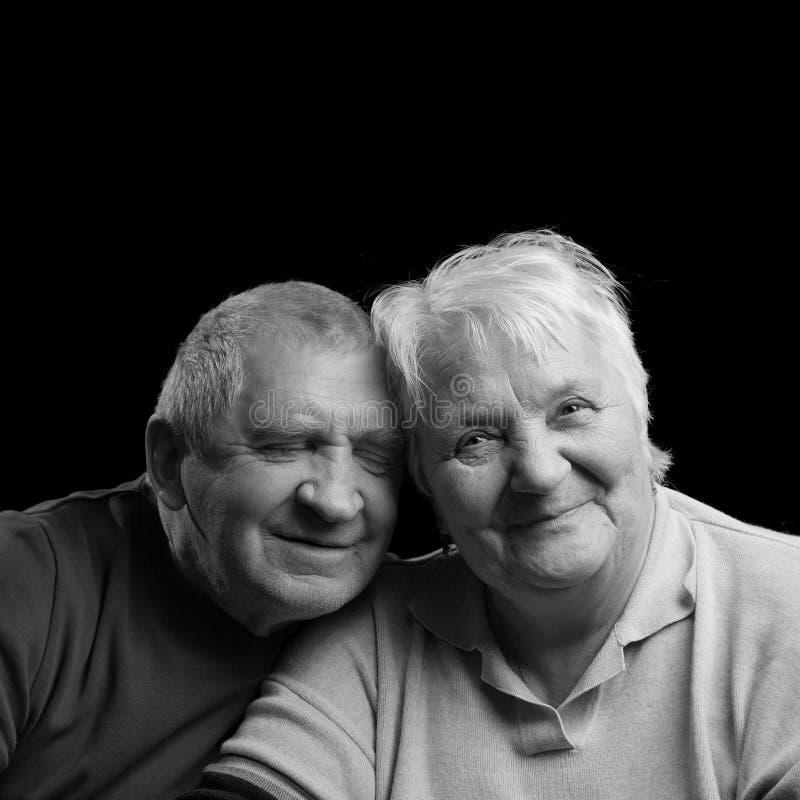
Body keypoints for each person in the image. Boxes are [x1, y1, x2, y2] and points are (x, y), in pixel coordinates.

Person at [185, 232, 800, 799]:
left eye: (572, 409)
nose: (538, 472)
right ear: (425, 480)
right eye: (476, 439)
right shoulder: (371, 633)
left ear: (641, 419)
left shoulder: (785, 607)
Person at [0, 281, 405, 799]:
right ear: (170, 463)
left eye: (377, 458)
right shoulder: (24, 580)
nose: (335, 501)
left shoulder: (408, 626)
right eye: (283, 445)